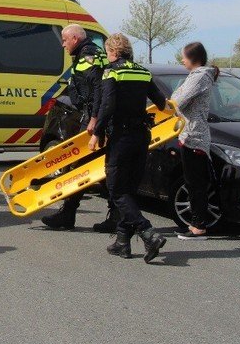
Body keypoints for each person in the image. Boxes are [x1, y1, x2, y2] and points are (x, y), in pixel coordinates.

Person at [90, 33, 168, 263]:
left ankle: (148, 232)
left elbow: (108, 105)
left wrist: (96, 133)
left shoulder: (111, 71)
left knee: (116, 189)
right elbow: (161, 101)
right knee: (129, 189)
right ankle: (122, 243)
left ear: (112, 52)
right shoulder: (143, 72)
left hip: (121, 137)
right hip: (141, 136)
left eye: (107, 51)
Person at [41, 24, 112, 231]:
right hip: (91, 115)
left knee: (81, 166)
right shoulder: (87, 54)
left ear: (74, 39)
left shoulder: (89, 56)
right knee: (92, 167)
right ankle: (70, 213)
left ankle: (68, 214)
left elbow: (99, 89)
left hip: (93, 118)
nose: (63, 44)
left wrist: (94, 119)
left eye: (64, 40)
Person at [170, 41, 220, 240]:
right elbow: (176, 97)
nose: (182, 60)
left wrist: (177, 98)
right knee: (192, 183)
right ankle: (194, 224)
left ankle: (199, 226)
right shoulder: (196, 76)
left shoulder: (199, 77)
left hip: (194, 136)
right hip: (190, 133)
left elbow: (178, 100)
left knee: (195, 183)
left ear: (193, 58)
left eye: (184, 57)